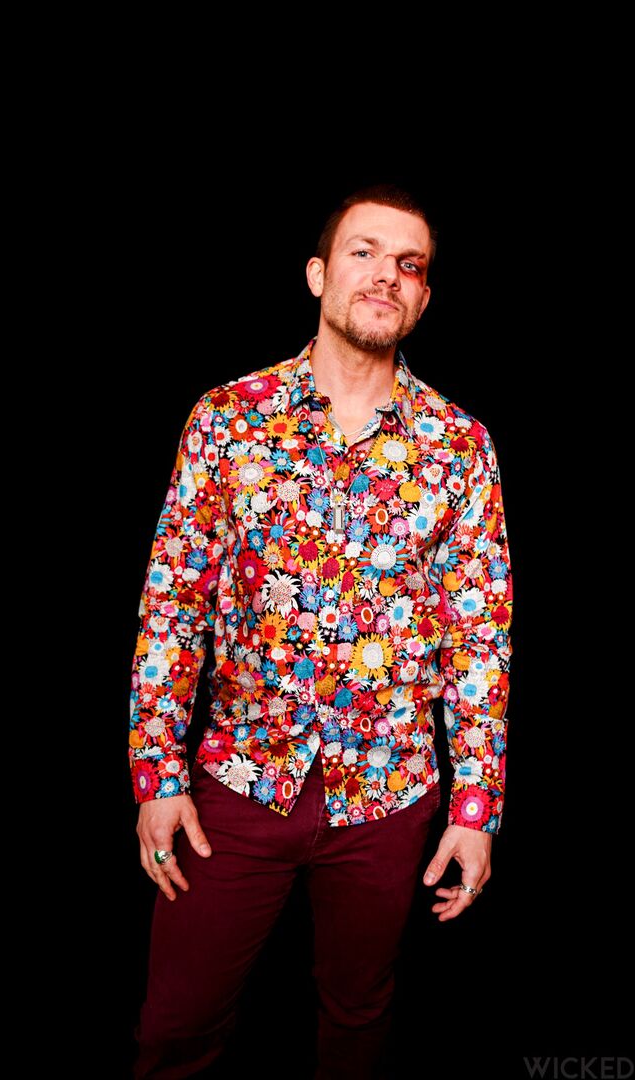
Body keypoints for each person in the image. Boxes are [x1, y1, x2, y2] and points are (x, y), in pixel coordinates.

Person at [128, 184, 513, 1079]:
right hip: (238, 782)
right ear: (317, 274)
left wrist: (476, 808)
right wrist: (156, 773)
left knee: (358, 1020)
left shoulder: (460, 446)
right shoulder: (229, 419)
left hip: (391, 796)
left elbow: (479, 635)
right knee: (176, 1028)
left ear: (423, 297)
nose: (386, 275)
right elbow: (173, 603)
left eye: (408, 264)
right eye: (363, 252)